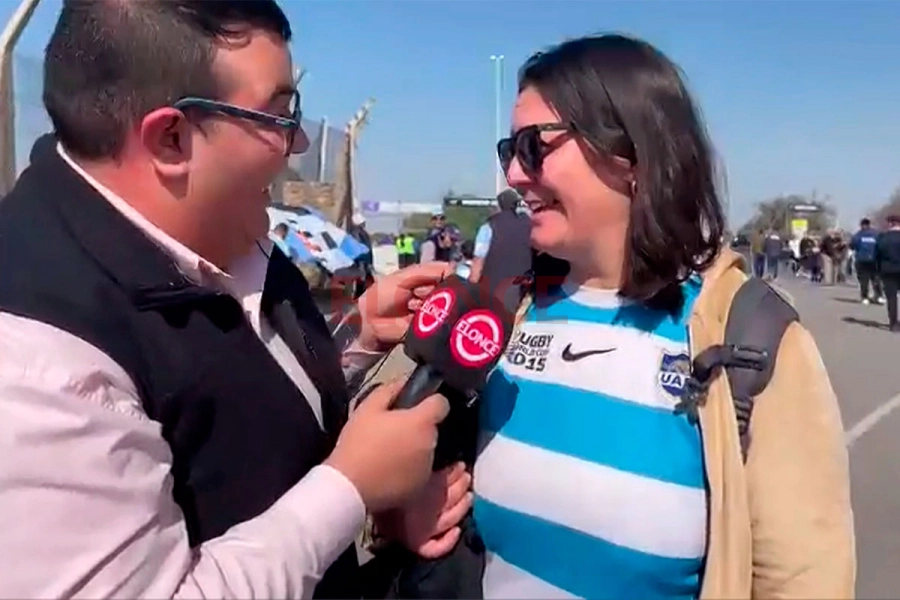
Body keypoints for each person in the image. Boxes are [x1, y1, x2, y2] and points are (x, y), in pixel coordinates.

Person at [0, 1, 470, 597]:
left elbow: (242, 406)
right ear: (171, 137)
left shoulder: (232, 234)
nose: (297, 141)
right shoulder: (35, 357)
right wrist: (351, 490)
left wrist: (356, 339)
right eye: (277, 114)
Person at [472, 34, 854, 599]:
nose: (515, 177)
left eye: (534, 147)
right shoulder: (512, 309)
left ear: (632, 152)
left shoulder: (749, 340)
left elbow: (804, 582)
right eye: (510, 151)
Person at [469, 188, 531, 284]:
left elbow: (478, 263)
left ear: (499, 205)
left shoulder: (488, 227)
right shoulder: (529, 225)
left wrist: (470, 287)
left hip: (495, 288)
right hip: (524, 287)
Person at [875, 215, 900, 332]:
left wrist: (878, 270)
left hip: (888, 270)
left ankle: (893, 323)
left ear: (890, 224)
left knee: (891, 298)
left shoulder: (883, 238)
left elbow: (877, 254)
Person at [850, 217, 883, 304]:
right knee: (876, 278)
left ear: (861, 225)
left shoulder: (858, 235)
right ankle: (879, 296)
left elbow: (852, 246)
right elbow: (881, 246)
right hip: (874, 259)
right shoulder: (876, 234)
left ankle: (865, 297)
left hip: (861, 260)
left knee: (864, 280)